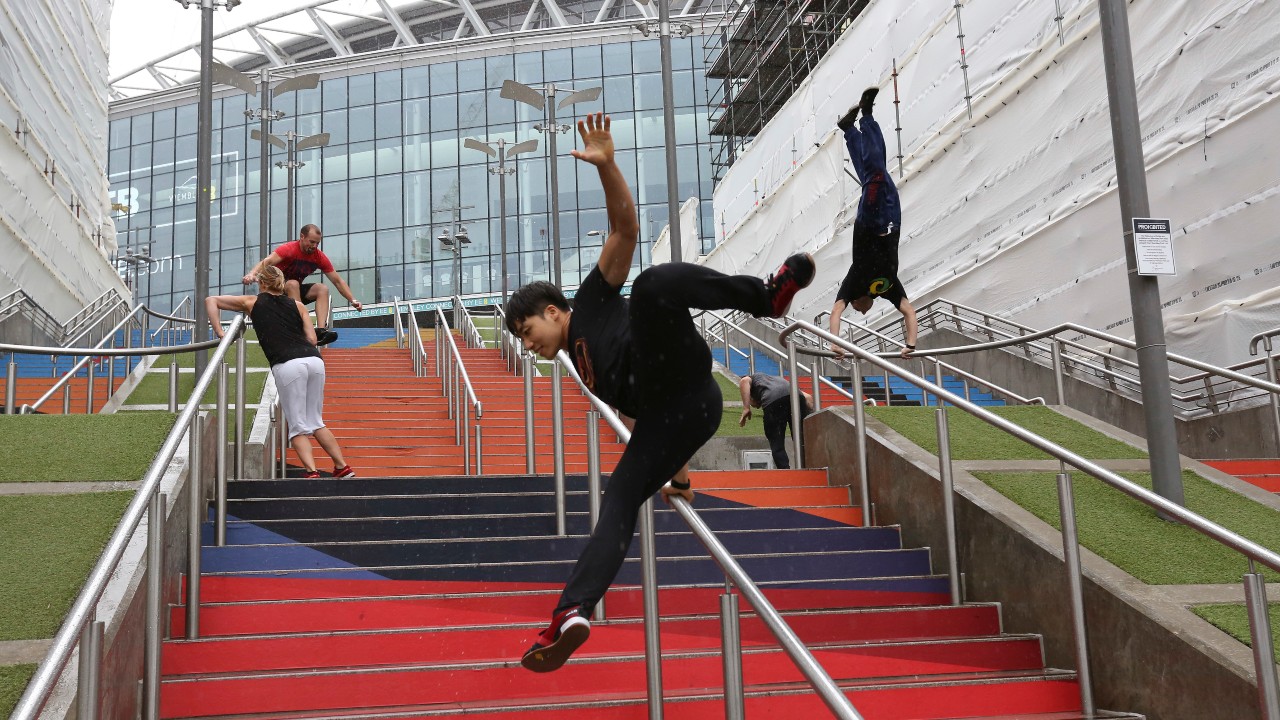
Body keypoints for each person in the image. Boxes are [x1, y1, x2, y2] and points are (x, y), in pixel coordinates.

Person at [505, 112, 815, 673]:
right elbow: (632, 408)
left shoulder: (592, 300)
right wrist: (677, 473)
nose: (530, 347)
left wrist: (607, 168)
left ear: (552, 312)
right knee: (619, 497)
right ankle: (573, 610)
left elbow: (624, 231)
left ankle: (763, 298)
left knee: (650, 284)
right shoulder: (579, 366)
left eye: (529, 334)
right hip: (684, 413)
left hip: (680, 366)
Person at [206, 265, 356, 480]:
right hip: (314, 360)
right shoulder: (297, 305)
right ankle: (342, 467)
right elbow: (313, 339)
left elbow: (211, 300)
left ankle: (312, 472)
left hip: (287, 363)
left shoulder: (251, 302)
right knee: (315, 420)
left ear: (261, 283)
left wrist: (221, 333)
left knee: (297, 425)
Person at [828, 87, 918, 360]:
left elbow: (835, 311)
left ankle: (867, 115)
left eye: (857, 309)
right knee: (873, 173)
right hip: (892, 220)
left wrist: (835, 343)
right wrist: (910, 345)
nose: (863, 310)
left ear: (855, 300)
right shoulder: (886, 289)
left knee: (876, 172)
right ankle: (850, 131)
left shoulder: (854, 284)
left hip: (869, 223)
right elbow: (909, 311)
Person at [243, 224, 363, 345]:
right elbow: (267, 262)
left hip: (294, 295)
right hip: (276, 293)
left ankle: (321, 331)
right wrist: (252, 274)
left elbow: (337, 281)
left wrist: (352, 299)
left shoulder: (319, 257)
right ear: (302, 237)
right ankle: (303, 327)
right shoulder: (289, 249)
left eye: (317, 243)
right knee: (293, 283)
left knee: (322, 289)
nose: (314, 246)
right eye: (311, 242)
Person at [738, 372, 813, 470]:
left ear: (750, 393)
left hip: (773, 400)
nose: (757, 407)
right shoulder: (775, 381)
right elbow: (808, 398)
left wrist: (746, 408)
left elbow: (744, 381)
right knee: (801, 439)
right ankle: (809, 468)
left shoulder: (753, 378)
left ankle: (785, 471)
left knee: (776, 441)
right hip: (797, 397)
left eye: (753, 403)